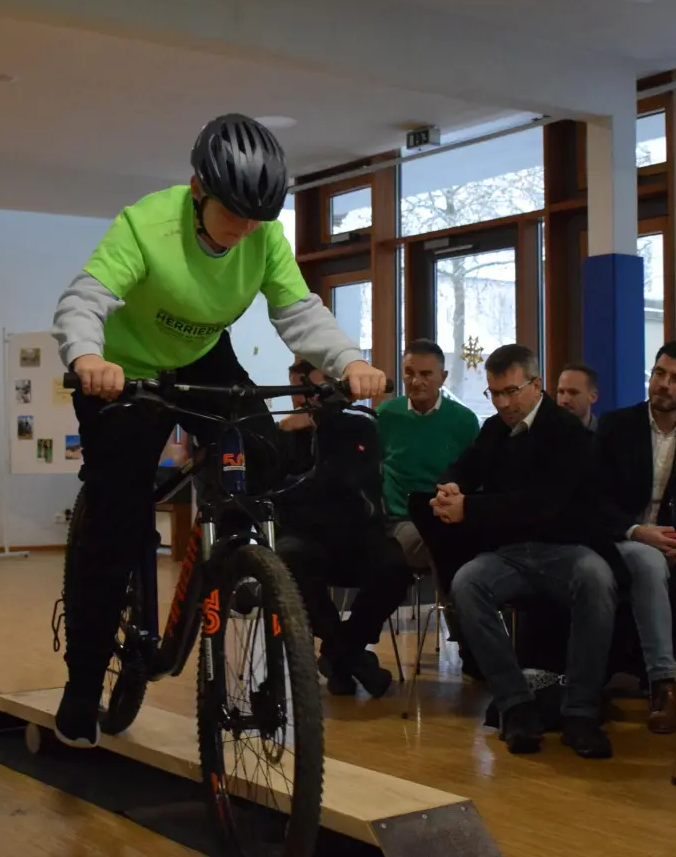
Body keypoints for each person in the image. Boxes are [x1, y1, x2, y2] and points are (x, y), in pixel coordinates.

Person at [51, 114, 386, 745]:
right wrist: (88, 359)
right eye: (235, 213)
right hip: (124, 373)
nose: (246, 231)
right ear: (199, 189)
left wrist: (352, 362)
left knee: (266, 455)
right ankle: (83, 677)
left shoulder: (261, 236)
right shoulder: (145, 223)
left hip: (202, 358)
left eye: (259, 217)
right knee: (116, 522)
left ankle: (234, 561)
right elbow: (84, 300)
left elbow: (298, 310)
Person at [440, 345, 617, 759]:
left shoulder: (567, 432)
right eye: (494, 393)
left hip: (568, 549)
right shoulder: (496, 429)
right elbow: (463, 468)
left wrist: (471, 507)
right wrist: (448, 487)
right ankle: (515, 704)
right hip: (513, 553)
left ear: (536, 386)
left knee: (597, 578)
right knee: (467, 584)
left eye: (510, 392)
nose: (503, 403)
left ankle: (580, 712)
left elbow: (543, 503)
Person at [593, 341, 676, 734]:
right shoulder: (616, 426)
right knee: (650, 563)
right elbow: (593, 499)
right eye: (659, 374)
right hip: (624, 538)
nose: (663, 385)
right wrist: (638, 532)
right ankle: (663, 685)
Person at [273, 358, 412, 698]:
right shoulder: (280, 433)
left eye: (314, 391)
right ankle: (350, 658)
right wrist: (294, 435)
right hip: (304, 538)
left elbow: (346, 479)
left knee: (395, 567)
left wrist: (320, 429)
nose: (305, 400)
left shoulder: (359, 425)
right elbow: (274, 490)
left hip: (355, 532)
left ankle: (338, 654)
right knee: (290, 559)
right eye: (299, 392)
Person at [376, 340, 479, 576]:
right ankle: (456, 607)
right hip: (401, 520)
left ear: (442, 377)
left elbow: (475, 475)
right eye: (409, 373)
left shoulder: (464, 421)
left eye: (425, 374)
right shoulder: (385, 415)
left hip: (450, 516)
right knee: (443, 545)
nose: (416, 381)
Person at [555, 364, 600, 430]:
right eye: (561, 392)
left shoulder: (607, 436)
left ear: (593, 397)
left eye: (573, 392)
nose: (565, 400)